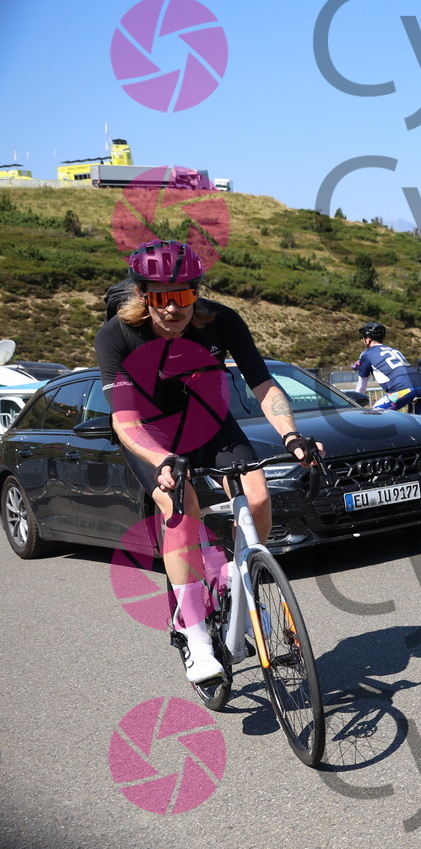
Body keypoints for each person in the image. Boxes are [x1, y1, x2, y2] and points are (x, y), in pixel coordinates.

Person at [95, 240, 322, 683]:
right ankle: (195, 636)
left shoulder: (221, 321)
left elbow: (263, 385)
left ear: (196, 293)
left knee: (258, 497)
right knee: (182, 510)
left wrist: (292, 435)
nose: (173, 308)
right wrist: (162, 458)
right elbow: (124, 420)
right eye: (162, 297)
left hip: (210, 422)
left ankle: (237, 583)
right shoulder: (117, 336)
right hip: (152, 434)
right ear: (143, 295)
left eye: (183, 295)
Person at [355, 322, 421, 413]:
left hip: (402, 390)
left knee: (374, 415)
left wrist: (355, 402)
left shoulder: (367, 354)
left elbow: (362, 384)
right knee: (414, 420)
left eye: (363, 338)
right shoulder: (394, 350)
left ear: (368, 339)